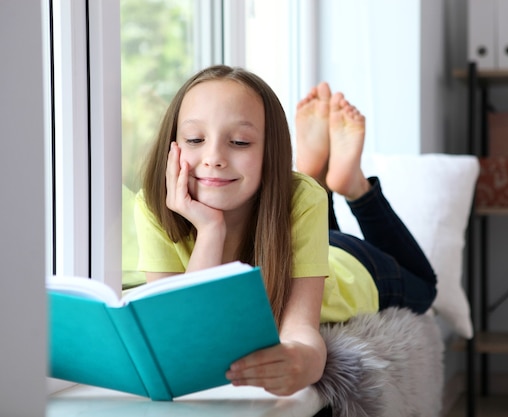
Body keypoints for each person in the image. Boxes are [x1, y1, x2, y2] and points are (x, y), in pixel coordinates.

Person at [134, 65, 437, 397]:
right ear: (173, 145)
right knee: (306, 198)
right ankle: (316, 175)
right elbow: (178, 336)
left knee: (425, 286)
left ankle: (355, 187)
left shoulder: (299, 202)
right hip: (304, 237)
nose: (214, 157)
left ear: (269, 152)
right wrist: (210, 231)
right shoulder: (153, 207)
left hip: (351, 266)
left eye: (239, 141)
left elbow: (301, 333)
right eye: (195, 139)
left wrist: (302, 360)